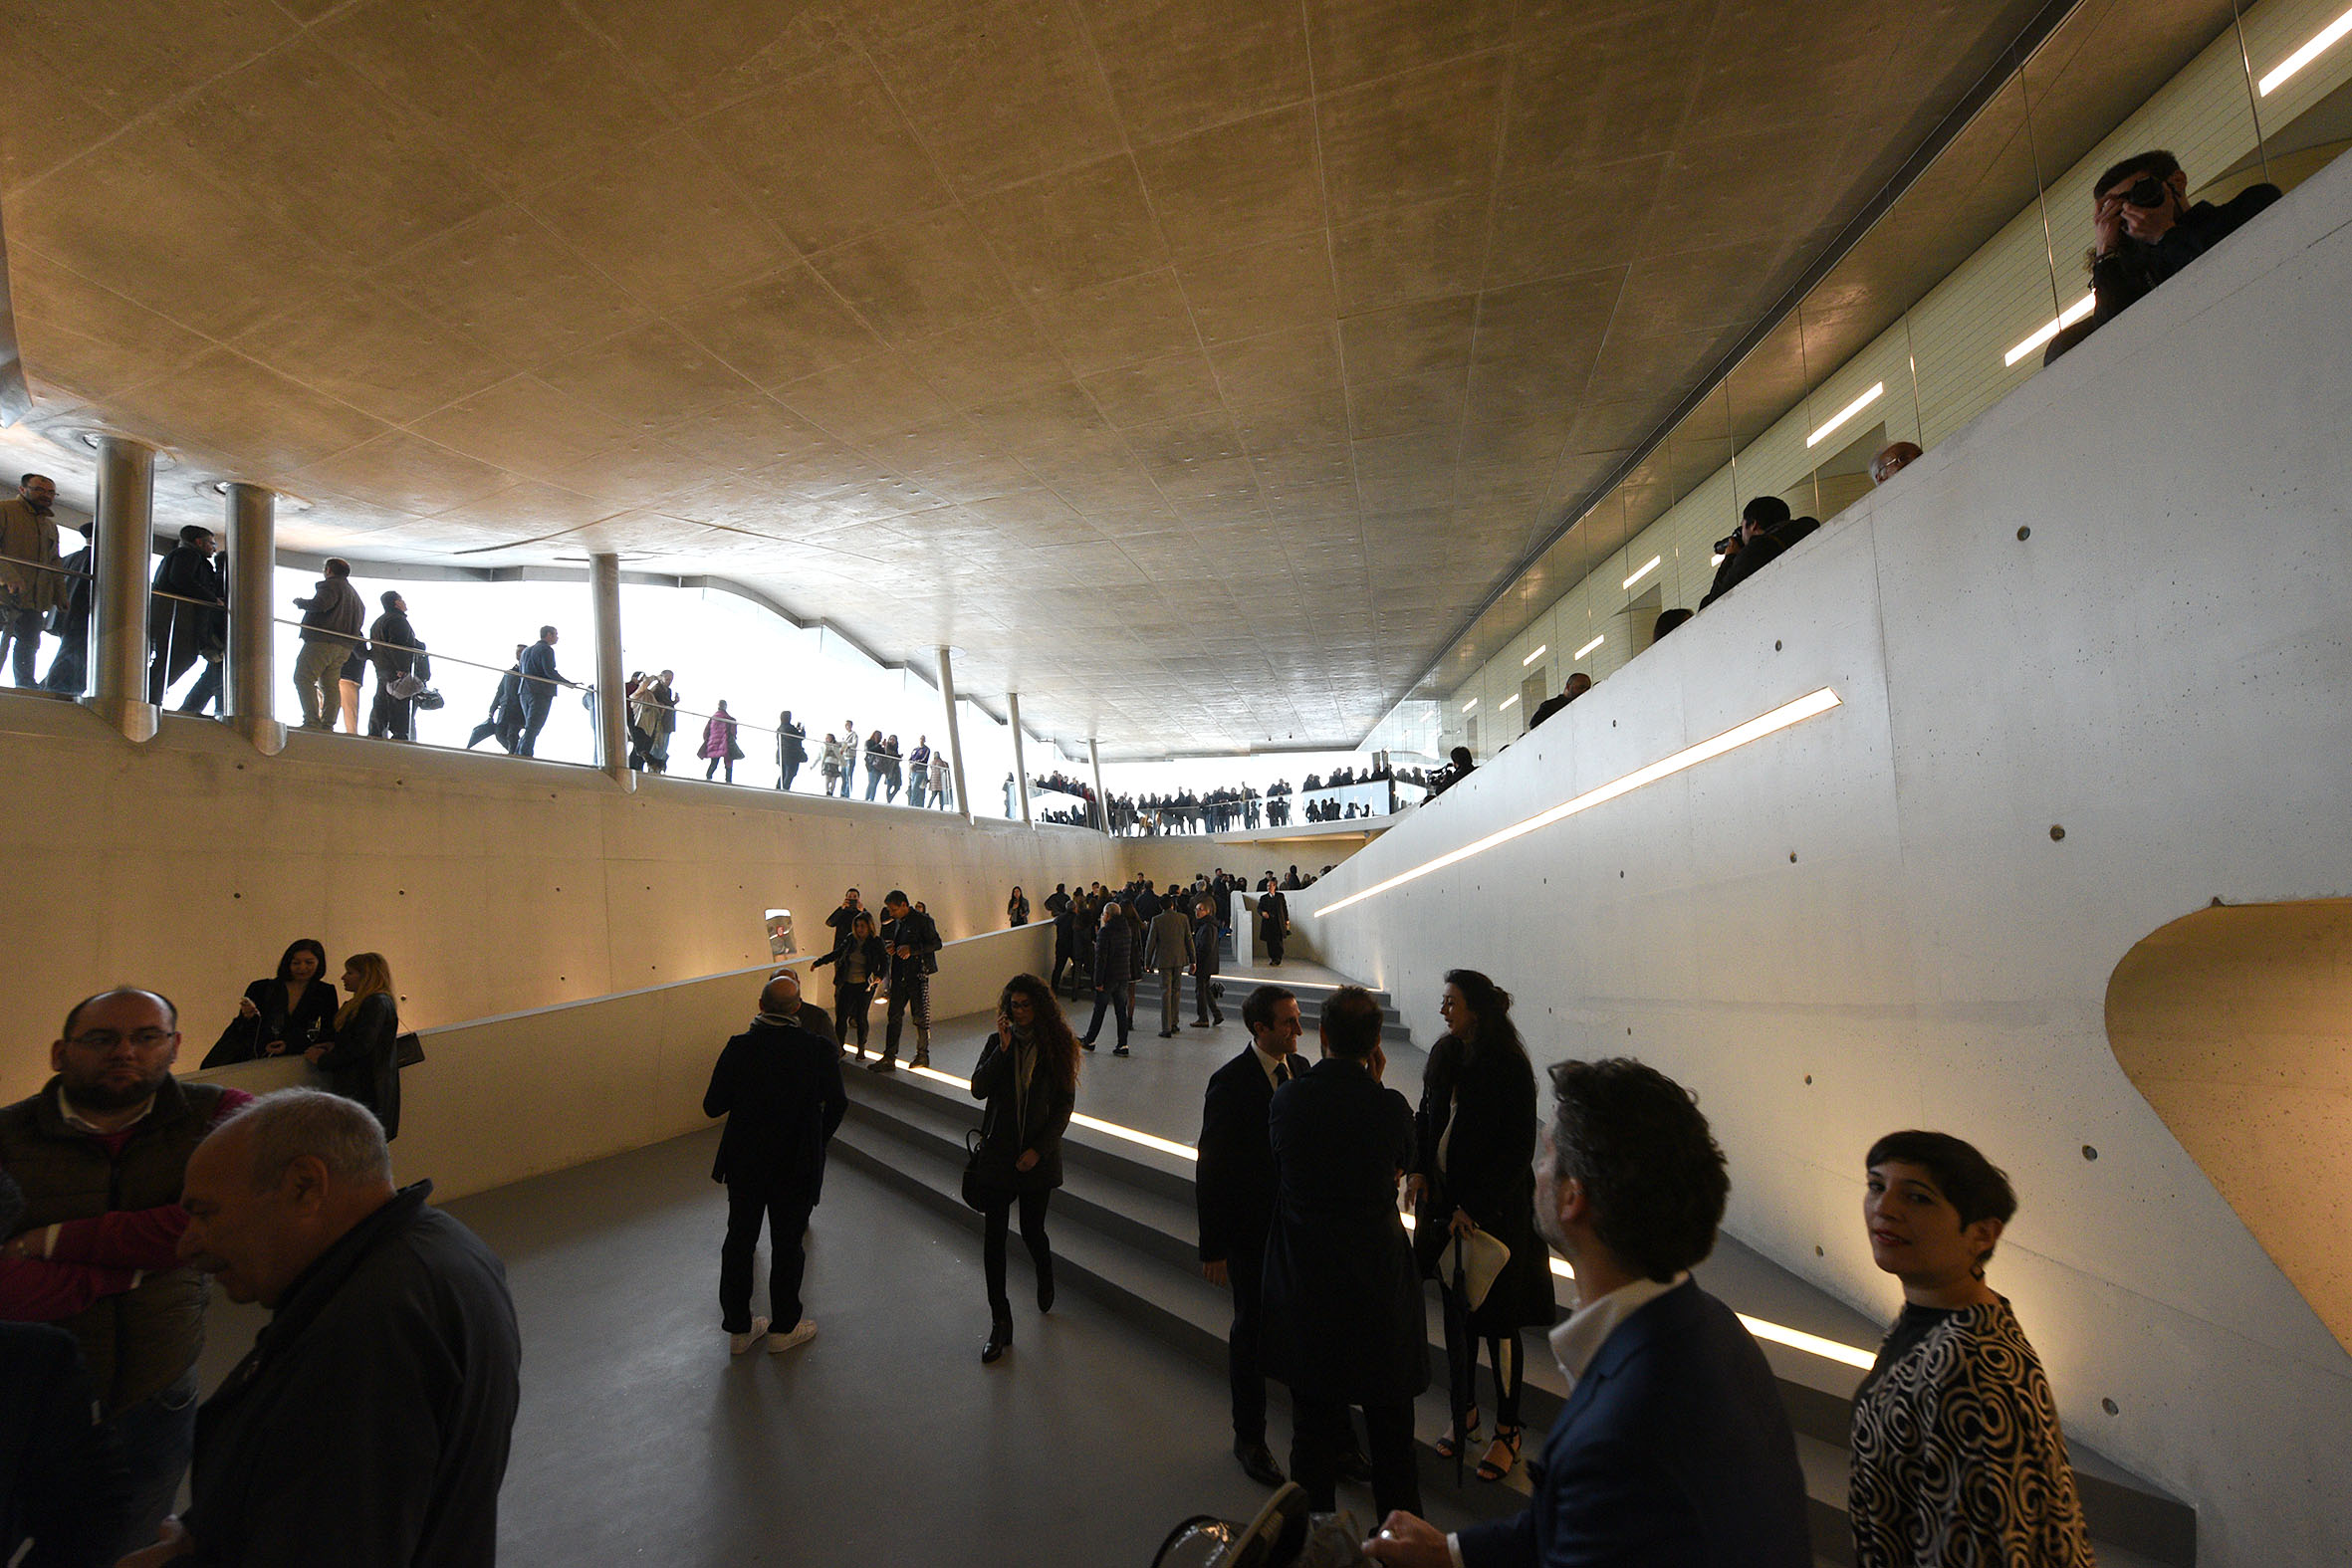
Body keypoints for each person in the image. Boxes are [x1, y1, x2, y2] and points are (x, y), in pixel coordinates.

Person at [1363, 1057, 1810, 1568]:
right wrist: (1451, 1553)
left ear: (1574, 1196)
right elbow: (1564, 1520)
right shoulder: (1713, 1324)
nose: (1536, 1170)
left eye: (1548, 1153)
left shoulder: (1623, 1432)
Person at [145, 1088, 521, 1568]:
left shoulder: (365, 1335)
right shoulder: (438, 1247)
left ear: (305, 1185)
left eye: (205, 1213)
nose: (186, 1247)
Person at [0, 988, 255, 1560]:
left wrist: (53, 1241)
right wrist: (133, 1269)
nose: (124, 1051)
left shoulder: (223, 1114)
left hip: (155, 1398)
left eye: (145, 1037)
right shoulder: (6, 1137)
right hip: (23, 1401)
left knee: (117, 1548)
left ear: (174, 1046)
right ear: (59, 1053)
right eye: (101, 1038)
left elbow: (228, 1222)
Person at [1848, 1131, 2094, 1567]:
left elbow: (1976, 1549)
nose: (1884, 1209)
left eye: (1918, 1198)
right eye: (1876, 1186)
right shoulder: (1932, 1317)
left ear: (1982, 1234)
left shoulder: (1970, 1370)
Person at [1261, 987, 1425, 1522]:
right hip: (1378, 1292)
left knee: (1311, 1441)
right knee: (1393, 1444)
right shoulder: (1391, 1109)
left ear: (1323, 1035)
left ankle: (1316, 1549)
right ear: (1376, 1042)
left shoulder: (1287, 1101)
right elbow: (1393, 1153)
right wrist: (1373, 1087)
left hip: (1309, 1289)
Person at [1411, 971, 1556, 1483]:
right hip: (1449, 1214)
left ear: (1477, 1009)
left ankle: (1508, 1431)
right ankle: (1466, 1413)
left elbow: (1518, 1149)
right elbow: (1425, 1118)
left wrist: (1474, 1205)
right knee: (1459, 1320)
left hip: (1496, 1219)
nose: (1443, 1010)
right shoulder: (1444, 1057)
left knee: (1499, 1325)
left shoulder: (1509, 1068)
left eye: (1451, 1002)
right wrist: (1418, 1168)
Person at [702, 975, 847, 1358]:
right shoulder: (816, 1050)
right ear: (797, 1008)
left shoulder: (739, 1048)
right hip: (796, 1163)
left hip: (746, 1162)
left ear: (761, 1005)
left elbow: (712, 1105)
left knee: (739, 1241)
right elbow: (839, 1103)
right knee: (787, 1244)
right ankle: (784, 1327)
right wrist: (818, 1139)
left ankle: (738, 1328)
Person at [1195, 985, 1301, 1487]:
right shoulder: (1231, 1082)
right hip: (1251, 1235)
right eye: (1288, 1023)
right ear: (1261, 1029)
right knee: (1250, 1334)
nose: (1298, 1030)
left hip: (1296, 1233)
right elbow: (1211, 1166)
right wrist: (1213, 1245)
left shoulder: (1300, 1075)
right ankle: (1250, 1437)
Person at [2044, 148, 2281, 365]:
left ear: (2177, 182)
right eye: (2115, 211)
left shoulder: (2248, 207)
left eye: (2138, 194)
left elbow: (2232, 275)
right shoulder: (2131, 280)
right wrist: (2105, 253)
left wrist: (2165, 234)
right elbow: (2116, 346)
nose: (2130, 212)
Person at [968, 974, 1079, 1365]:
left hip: (1036, 1159)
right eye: (1013, 1005)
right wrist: (1002, 1049)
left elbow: (1065, 1105)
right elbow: (978, 1088)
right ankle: (1000, 1321)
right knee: (993, 1240)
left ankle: (1044, 1270)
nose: (1019, 1012)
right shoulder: (998, 1042)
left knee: (1033, 1231)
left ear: (1040, 1007)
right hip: (998, 1156)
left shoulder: (1058, 1046)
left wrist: (1038, 1150)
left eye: (1026, 1005)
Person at [201, 939, 340, 1068]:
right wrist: (248, 1017)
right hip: (255, 1058)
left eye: (309, 963)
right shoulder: (260, 988)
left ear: (319, 963)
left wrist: (290, 1045)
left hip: (299, 1060)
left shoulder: (325, 992)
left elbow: (325, 1029)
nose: (302, 968)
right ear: (287, 963)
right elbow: (245, 1028)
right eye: (296, 963)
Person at [307, 953, 400, 1141]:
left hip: (365, 1089)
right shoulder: (376, 1002)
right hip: (369, 1088)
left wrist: (323, 1060)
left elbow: (362, 1045)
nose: (343, 977)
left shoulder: (374, 1003)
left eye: (350, 973)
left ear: (366, 976)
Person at [146, 525, 226, 714]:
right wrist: (211, 599)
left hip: (170, 613)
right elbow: (181, 580)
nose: (213, 548)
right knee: (180, 657)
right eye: (211, 543)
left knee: (176, 658)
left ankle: (151, 696)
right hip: (176, 615)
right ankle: (149, 697)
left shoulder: (181, 555)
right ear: (199, 542)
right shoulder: (187, 555)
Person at [872, 890, 941, 1072]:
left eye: (894, 909)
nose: (891, 913)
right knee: (893, 1015)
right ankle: (889, 1056)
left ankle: (922, 1055)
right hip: (900, 975)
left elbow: (936, 943)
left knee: (920, 1017)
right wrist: (895, 948)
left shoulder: (923, 920)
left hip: (917, 975)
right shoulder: (899, 922)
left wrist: (912, 949)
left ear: (904, 905)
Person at [290, 559, 363, 730]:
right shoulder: (354, 596)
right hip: (344, 647)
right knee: (329, 684)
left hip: (322, 641)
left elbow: (321, 604)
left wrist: (301, 603)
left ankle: (312, 721)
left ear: (329, 570)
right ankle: (328, 724)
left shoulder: (331, 586)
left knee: (303, 677)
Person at [812, 911, 886, 1060]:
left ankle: (861, 1048)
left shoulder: (876, 942)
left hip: (865, 986)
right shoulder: (850, 939)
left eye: (863, 926)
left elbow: (884, 962)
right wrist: (819, 962)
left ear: (869, 926)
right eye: (857, 926)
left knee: (861, 1017)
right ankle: (840, 1047)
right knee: (841, 1016)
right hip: (847, 983)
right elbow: (837, 953)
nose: (860, 929)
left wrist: (879, 976)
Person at [1698, 496, 1793, 609]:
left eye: (1742, 526)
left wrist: (1730, 557)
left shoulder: (1755, 551)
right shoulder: (1799, 532)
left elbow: (1716, 601)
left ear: (1753, 525)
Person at [1079, 899, 1134, 1055]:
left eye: (1103, 914)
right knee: (1121, 1011)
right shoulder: (1126, 929)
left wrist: (1098, 981)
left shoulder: (1105, 931)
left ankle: (1090, 1040)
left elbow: (1101, 958)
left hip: (1108, 976)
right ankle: (1123, 1044)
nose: (1102, 916)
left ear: (1108, 915)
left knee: (1100, 1009)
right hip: (1123, 975)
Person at [364, 590, 420, 742]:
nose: (405, 602)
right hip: (395, 670)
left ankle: (374, 732)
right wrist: (402, 668)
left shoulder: (378, 622)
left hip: (382, 668)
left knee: (381, 701)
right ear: (396, 603)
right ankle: (399, 736)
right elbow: (398, 646)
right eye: (402, 599)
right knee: (399, 703)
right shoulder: (398, 620)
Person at [1145, 891, 1194, 1038]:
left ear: (1161, 906)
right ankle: (1174, 1023)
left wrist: (1147, 962)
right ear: (1173, 905)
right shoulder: (1183, 918)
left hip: (1163, 960)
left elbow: (1151, 942)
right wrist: (1193, 960)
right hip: (1179, 959)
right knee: (1176, 991)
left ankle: (1166, 1027)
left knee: (1165, 992)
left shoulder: (1157, 920)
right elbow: (1189, 940)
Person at [516, 624, 567, 758]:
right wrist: (567, 683)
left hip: (524, 691)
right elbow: (549, 671)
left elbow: (522, 671)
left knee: (530, 726)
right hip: (540, 692)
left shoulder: (526, 651)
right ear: (548, 635)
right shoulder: (546, 650)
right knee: (534, 727)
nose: (557, 637)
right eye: (555, 634)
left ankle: (519, 752)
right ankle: (525, 755)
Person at [467, 645, 528, 752]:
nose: (518, 654)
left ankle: (514, 755)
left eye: (521, 652)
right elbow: (500, 691)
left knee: (512, 734)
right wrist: (492, 708)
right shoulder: (509, 672)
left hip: (518, 710)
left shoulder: (528, 673)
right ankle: (515, 753)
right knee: (499, 733)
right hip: (505, 708)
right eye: (517, 652)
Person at [1190, 897, 1225, 1027]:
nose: (1197, 912)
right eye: (1196, 909)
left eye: (1200, 909)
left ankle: (1203, 1018)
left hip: (1204, 963)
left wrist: (1195, 962)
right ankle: (1217, 1014)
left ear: (1207, 911)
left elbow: (1205, 947)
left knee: (1200, 991)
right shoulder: (1207, 925)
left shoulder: (1207, 926)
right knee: (1206, 989)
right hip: (1207, 963)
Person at [701, 700, 741, 783]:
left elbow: (705, 733)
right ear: (725, 706)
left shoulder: (713, 718)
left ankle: (708, 777)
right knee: (728, 762)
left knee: (714, 761)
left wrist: (708, 741)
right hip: (725, 743)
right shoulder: (728, 719)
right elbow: (733, 732)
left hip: (714, 743)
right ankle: (728, 780)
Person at [1256, 883, 1290, 967]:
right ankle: (1273, 958)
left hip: (1278, 922)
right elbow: (1259, 908)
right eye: (1267, 886)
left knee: (1279, 941)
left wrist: (1287, 921)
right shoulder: (1263, 898)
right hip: (1269, 923)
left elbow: (1284, 909)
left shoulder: (1280, 896)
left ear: (1274, 886)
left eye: (1270, 886)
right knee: (1270, 942)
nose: (1268, 888)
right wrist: (1262, 913)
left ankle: (1278, 958)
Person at [777, 709, 807, 790]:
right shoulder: (790, 728)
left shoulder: (780, 728)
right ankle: (785, 789)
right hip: (792, 755)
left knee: (784, 773)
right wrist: (802, 730)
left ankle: (779, 788)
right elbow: (800, 737)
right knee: (790, 773)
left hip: (782, 754)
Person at [907, 737, 932, 807]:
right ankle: (913, 803)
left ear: (924, 740)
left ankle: (912, 804)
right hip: (913, 771)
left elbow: (924, 759)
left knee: (915, 787)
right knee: (912, 788)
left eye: (923, 739)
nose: (921, 740)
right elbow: (910, 759)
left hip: (920, 771)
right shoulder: (915, 749)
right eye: (921, 738)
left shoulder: (926, 749)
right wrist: (911, 765)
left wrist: (915, 763)